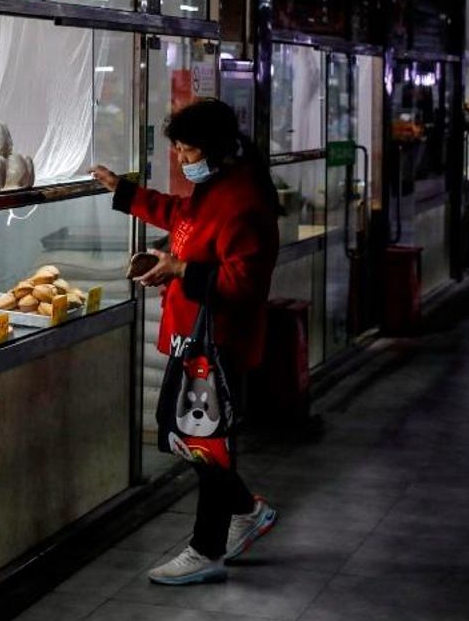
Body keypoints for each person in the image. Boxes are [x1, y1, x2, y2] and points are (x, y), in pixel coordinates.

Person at [91, 98, 282, 586]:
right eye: (176, 148)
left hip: (218, 341)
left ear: (216, 149)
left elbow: (244, 283)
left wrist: (181, 269)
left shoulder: (245, 201)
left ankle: (206, 550)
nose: (180, 158)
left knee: (207, 442)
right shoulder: (216, 185)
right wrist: (126, 193)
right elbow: (182, 218)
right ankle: (247, 510)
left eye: (187, 150)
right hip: (192, 336)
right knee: (191, 437)